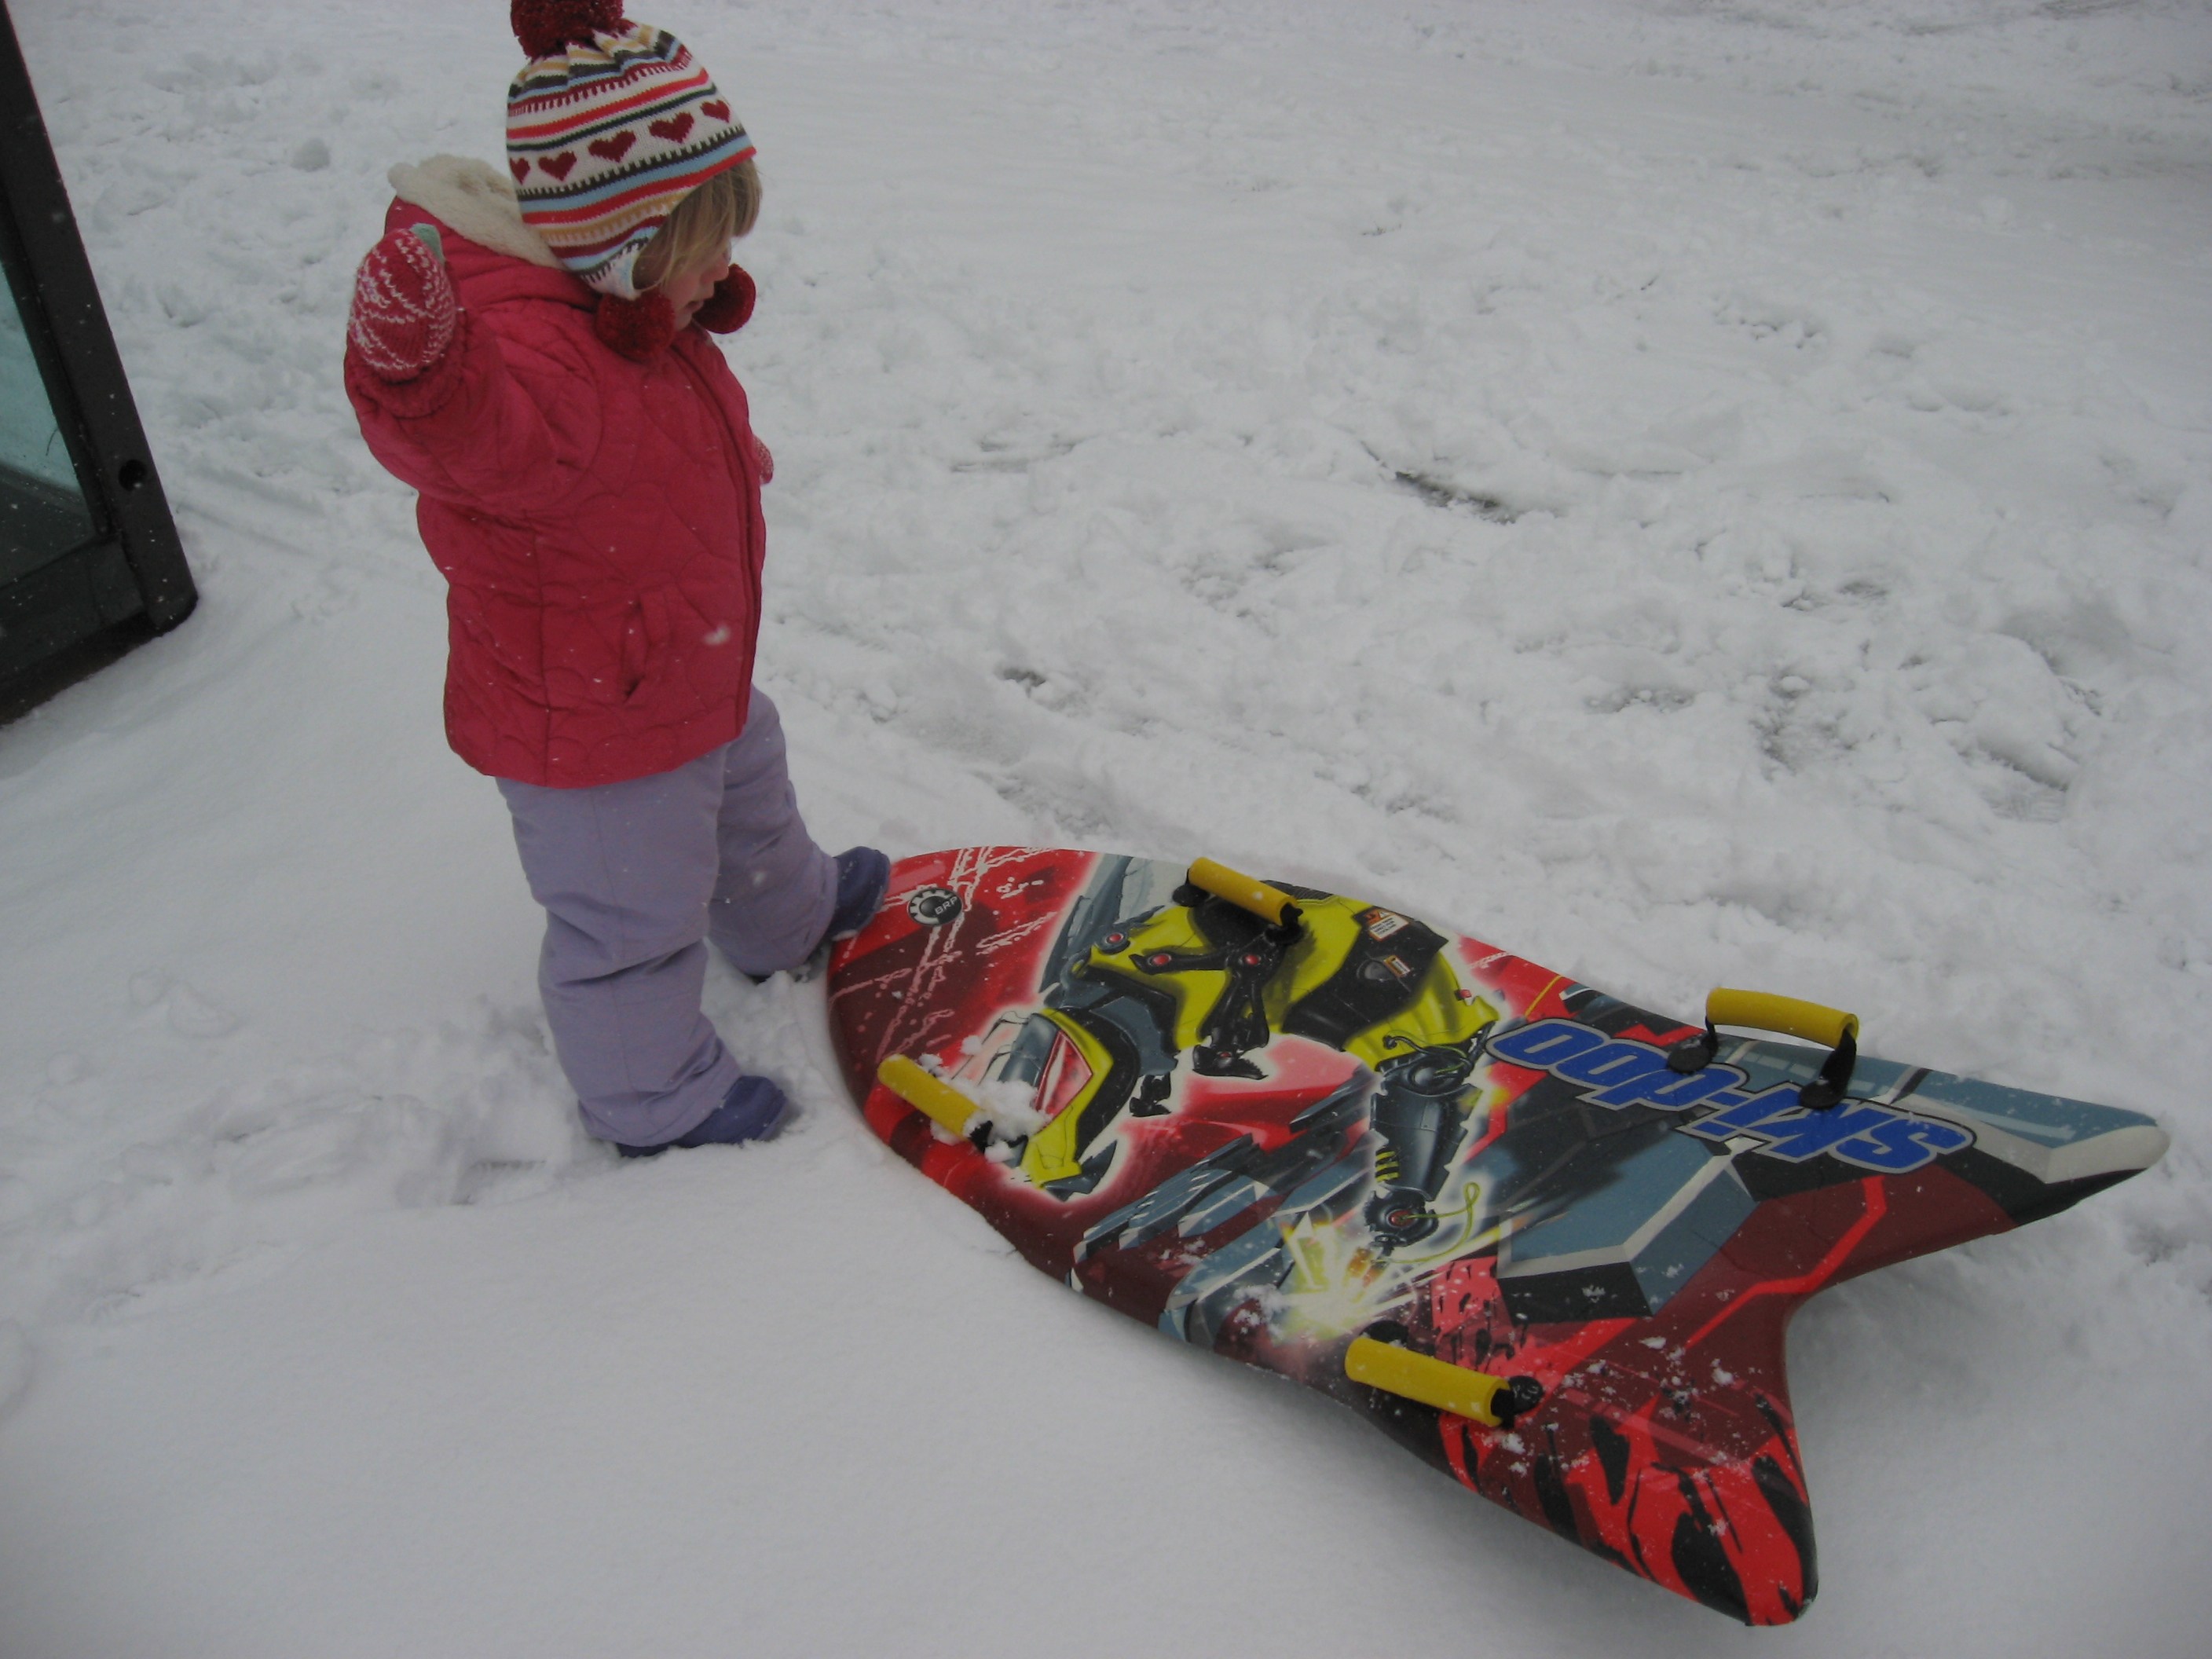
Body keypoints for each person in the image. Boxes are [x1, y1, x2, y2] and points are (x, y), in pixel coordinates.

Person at [343, 1, 885, 1156]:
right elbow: (466, 436)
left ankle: (785, 918)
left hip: (676, 668)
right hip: (591, 728)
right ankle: (653, 1098)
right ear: (618, 245)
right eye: (704, 247)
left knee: (749, 787)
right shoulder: (534, 359)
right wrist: (418, 375)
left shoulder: (634, 317)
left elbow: (650, 449)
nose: (726, 269)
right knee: (630, 918)